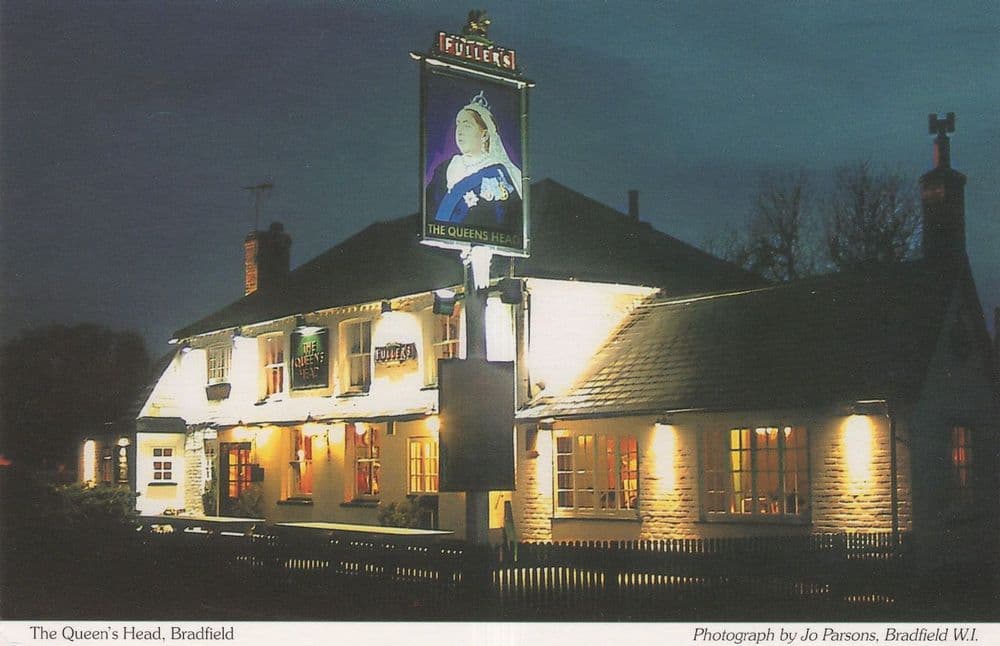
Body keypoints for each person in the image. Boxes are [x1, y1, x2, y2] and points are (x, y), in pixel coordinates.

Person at [426, 91, 522, 230]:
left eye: (467, 126)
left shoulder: (502, 174)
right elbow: (428, 209)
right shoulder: (445, 168)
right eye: (458, 124)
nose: (459, 131)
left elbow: (510, 220)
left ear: (484, 135)